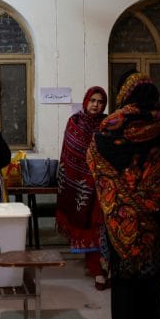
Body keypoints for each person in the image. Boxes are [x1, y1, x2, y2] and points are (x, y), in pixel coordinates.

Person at [87, 70, 160, 319]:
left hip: (123, 215)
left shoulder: (115, 124)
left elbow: (94, 156)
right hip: (153, 214)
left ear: (125, 93)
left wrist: (122, 191)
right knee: (151, 272)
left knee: (125, 273)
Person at [55, 86, 111, 291]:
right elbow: (70, 152)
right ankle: (97, 270)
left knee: (100, 228)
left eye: (100, 102)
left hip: (103, 186)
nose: (96, 104)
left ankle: (101, 269)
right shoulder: (75, 123)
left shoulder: (108, 125)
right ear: (86, 101)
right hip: (79, 186)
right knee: (89, 226)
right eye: (93, 100)